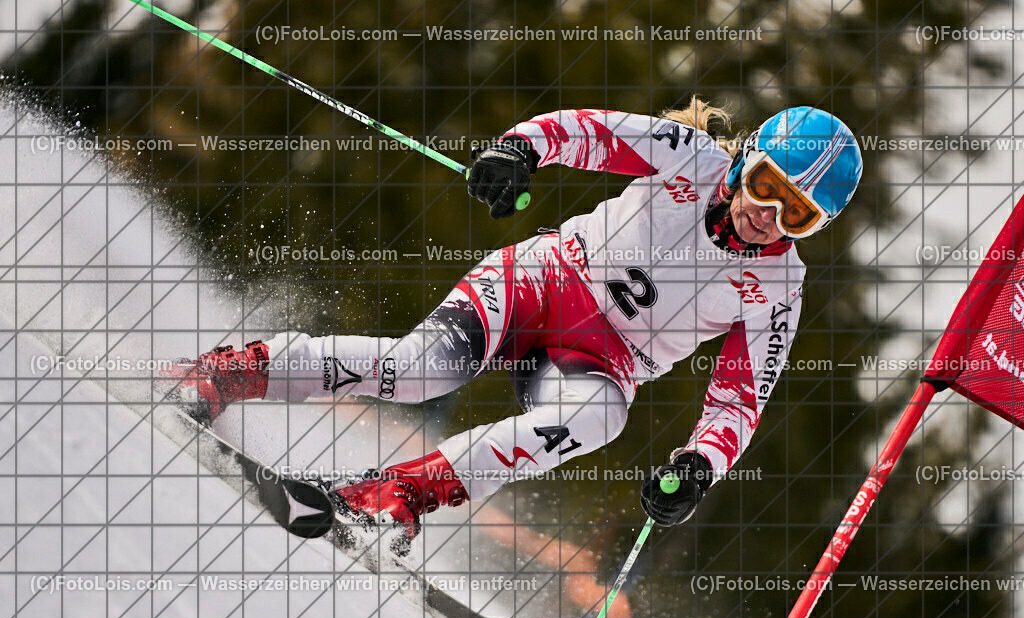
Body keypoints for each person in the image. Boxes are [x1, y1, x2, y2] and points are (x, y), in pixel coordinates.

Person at [167, 98, 862, 544]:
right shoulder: (691, 158)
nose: (767, 213)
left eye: (795, 212)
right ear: (747, 160)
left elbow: (739, 398)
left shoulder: (777, 288)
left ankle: (399, 493)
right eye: (768, 184)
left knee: (600, 417)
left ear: (812, 226)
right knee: (417, 371)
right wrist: (518, 150)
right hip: (542, 283)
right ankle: (232, 373)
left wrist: (700, 464)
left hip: (601, 361)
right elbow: (586, 132)